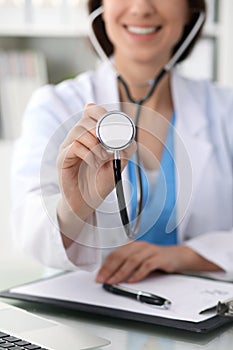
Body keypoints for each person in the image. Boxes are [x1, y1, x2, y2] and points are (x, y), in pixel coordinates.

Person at [11, 0, 233, 285]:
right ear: (100, 6)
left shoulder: (226, 111)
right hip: (81, 316)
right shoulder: (55, 105)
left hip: (200, 319)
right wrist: (74, 206)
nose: (141, 8)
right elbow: (31, 234)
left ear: (190, 8)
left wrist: (186, 255)